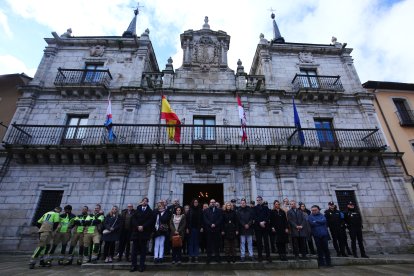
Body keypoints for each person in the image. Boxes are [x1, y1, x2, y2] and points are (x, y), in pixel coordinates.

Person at [130, 197, 154, 272]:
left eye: (146, 201)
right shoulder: (137, 209)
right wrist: (138, 226)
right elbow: (133, 219)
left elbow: (150, 220)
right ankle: (133, 265)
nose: (144, 202)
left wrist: (143, 226)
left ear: (147, 202)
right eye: (143, 201)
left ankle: (141, 266)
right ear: (141, 202)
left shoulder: (150, 211)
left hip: (144, 232)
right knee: (134, 251)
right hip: (136, 233)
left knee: (143, 251)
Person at [203, 198, 223, 264]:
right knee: (209, 245)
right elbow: (205, 219)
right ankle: (209, 258)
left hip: (216, 230)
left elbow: (220, 219)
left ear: (215, 203)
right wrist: (210, 224)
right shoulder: (206, 210)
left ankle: (217, 258)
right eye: (211, 202)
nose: (212, 203)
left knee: (217, 245)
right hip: (209, 230)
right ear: (209, 203)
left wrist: (215, 224)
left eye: (214, 202)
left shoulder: (219, 210)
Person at [186, 199, 203, 263]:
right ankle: (190, 257)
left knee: (196, 243)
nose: (196, 203)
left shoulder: (200, 210)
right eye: (195, 202)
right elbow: (187, 220)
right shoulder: (190, 210)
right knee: (191, 243)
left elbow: (202, 220)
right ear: (193, 203)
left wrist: (201, 227)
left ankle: (196, 257)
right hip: (191, 229)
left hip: (197, 229)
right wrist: (187, 228)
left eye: (197, 202)